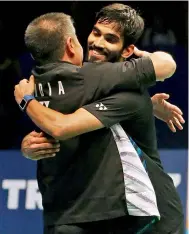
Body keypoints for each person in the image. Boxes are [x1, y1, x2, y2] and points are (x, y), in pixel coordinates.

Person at [16, 4, 184, 234]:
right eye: (95, 33)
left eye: (110, 39)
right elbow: (51, 124)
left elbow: (60, 126)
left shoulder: (128, 92)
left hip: (147, 214)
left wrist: (26, 101)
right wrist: (28, 145)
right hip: (82, 209)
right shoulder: (69, 78)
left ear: (127, 52)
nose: (97, 43)